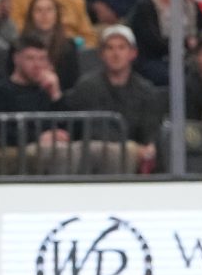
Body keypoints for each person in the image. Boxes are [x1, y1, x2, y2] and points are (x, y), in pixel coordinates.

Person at [64, 23, 163, 169]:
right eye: (110, 48)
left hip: (131, 154)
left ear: (133, 53)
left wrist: (148, 147)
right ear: (101, 54)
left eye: (121, 48)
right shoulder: (86, 86)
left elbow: (150, 130)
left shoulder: (145, 90)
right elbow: (76, 127)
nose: (116, 54)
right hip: (91, 154)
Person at [129, 0, 197, 85]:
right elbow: (152, 41)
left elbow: (197, 32)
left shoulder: (188, 3)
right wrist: (185, 43)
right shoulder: (145, 5)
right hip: (156, 59)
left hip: (189, 57)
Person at [16, 0, 83, 88]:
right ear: (31, 16)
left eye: (49, 10)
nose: (44, 15)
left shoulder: (69, 46)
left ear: (57, 15)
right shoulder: (18, 45)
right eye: (38, 10)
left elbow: (72, 85)